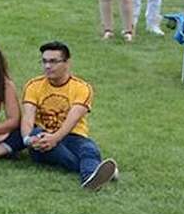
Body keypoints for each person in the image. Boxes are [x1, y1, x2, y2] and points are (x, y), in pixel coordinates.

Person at [20, 41, 118, 190]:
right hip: (41, 137)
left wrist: (55, 138)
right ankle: (94, 169)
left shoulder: (82, 88)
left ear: (67, 63)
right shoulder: (33, 85)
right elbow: (28, 117)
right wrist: (28, 139)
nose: (47, 66)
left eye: (53, 61)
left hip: (72, 136)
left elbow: (73, 119)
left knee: (89, 148)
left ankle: (90, 180)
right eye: (44, 61)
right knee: (39, 135)